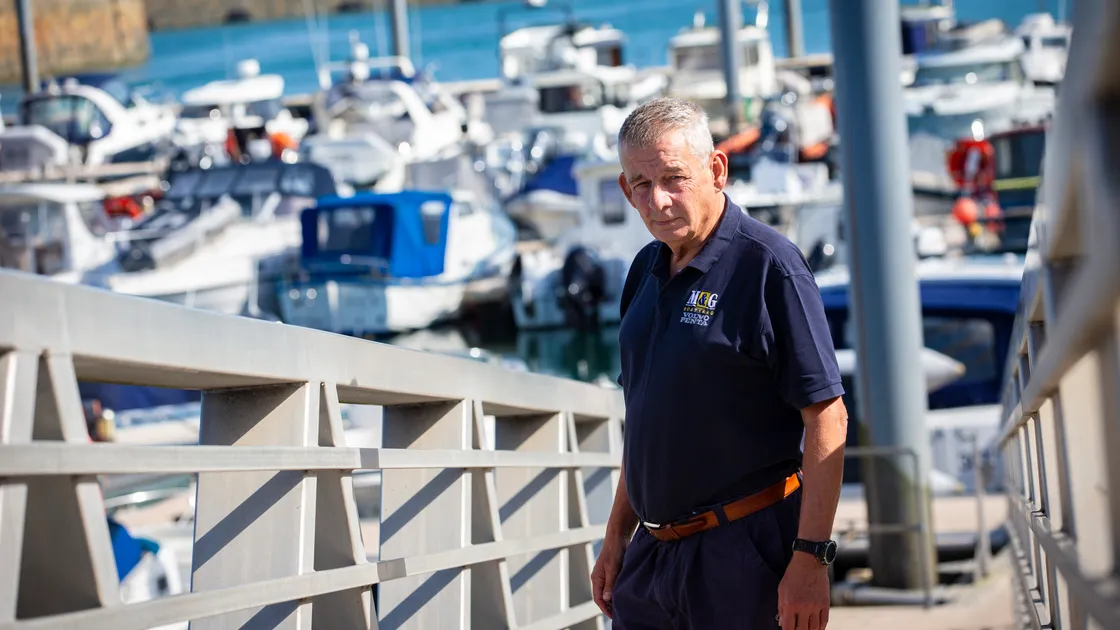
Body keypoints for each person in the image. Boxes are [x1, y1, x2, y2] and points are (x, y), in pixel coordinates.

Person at [590, 97, 849, 630]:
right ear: (625, 190)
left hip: (742, 554)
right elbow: (645, 418)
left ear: (716, 170)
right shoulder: (643, 270)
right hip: (650, 558)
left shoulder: (769, 265)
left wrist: (811, 558)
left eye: (674, 178)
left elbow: (828, 417)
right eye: (641, 184)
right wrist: (616, 535)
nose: (658, 200)